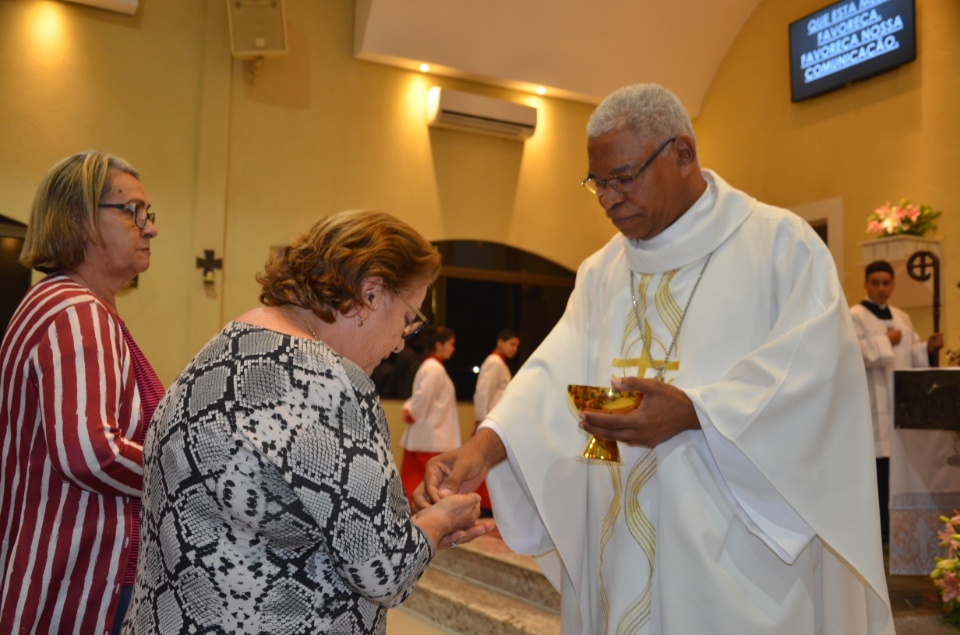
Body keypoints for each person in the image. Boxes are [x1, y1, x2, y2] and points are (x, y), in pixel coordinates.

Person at [414, 84, 894, 634]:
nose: (609, 199)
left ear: (683, 154)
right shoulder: (603, 272)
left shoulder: (779, 247)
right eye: (598, 182)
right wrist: (481, 450)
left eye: (624, 178)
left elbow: (814, 378)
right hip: (617, 544)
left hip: (736, 554)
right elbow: (550, 379)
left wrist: (694, 412)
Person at [121, 211, 490, 635]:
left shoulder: (226, 345)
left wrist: (404, 525)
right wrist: (440, 521)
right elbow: (386, 569)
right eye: (409, 319)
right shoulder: (329, 383)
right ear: (371, 295)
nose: (400, 343)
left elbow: (296, 507)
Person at [0, 150, 162, 634]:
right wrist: (183, 472)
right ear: (79, 220)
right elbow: (91, 453)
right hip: (78, 580)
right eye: (132, 212)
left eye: (148, 214)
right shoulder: (75, 310)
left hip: (70, 569)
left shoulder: (65, 302)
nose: (149, 227)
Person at [849, 259, 943, 542]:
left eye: (886, 283)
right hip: (872, 403)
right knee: (877, 468)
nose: (881, 288)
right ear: (866, 283)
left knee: (898, 466)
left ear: (892, 284)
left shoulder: (902, 316)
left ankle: (899, 524)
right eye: (875, 283)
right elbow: (850, 353)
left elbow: (913, 354)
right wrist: (885, 341)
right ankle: (880, 528)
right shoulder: (855, 316)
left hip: (900, 404)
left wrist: (928, 347)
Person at [400, 326, 460, 508]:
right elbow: (422, 399)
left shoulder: (434, 368)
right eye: (450, 344)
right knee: (420, 482)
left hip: (431, 436)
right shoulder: (433, 368)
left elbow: (421, 400)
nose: (453, 348)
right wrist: (411, 412)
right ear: (438, 345)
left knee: (420, 482)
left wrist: (412, 411)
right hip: (429, 439)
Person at [472, 327, 521, 514]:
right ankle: (485, 506)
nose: (514, 348)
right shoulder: (494, 362)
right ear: (500, 342)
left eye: (517, 345)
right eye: (511, 344)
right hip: (490, 422)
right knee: (488, 465)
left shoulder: (501, 363)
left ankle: (492, 506)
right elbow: (483, 393)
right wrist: (480, 420)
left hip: (497, 422)